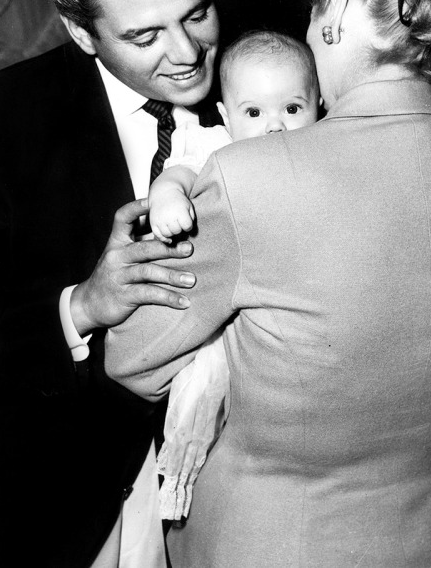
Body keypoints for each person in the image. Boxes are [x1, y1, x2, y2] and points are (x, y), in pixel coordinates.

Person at [106, 0, 431, 566]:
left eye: (316, 12)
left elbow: (132, 357)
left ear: (339, 10)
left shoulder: (249, 176)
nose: (311, 33)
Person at [0, 0, 223, 567]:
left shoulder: (273, 89)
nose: (187, 53)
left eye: (196, 13)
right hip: (63, 514)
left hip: (237, 506)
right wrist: (81, 307)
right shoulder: (8, 119)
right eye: (145, 35)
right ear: (80, 30)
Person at [150, 30, 320, 522]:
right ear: (225, 117)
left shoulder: (321, 151)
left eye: (292, 109)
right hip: (225, 310)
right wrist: (168, 199)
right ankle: (180, 480)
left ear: (320, 105)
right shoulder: (213, 143)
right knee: (206, 379)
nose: (274, 128)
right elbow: (178, 172)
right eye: (254, 113)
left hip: (291, 305)